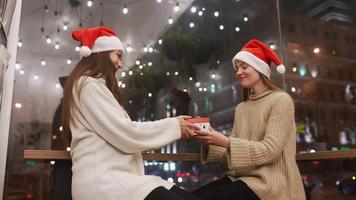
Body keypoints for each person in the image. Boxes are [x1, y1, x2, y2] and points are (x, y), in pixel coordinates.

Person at [61, 26, 200, 200]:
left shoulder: (92, 87)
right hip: (105, 182)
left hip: (118, 180)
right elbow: (127, 133)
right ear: (102, 54)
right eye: (118, 56)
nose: (120, 64)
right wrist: (174, 125)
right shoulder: (88, 86)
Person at [192, 39, 306, 200]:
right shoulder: (242, 108)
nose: (238, 72)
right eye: (237, 68)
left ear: (260, 68)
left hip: (272, 184)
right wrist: (208, 139)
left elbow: (270, 151)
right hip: (242, 178)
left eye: (244, 67)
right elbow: (236, 153)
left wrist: (225, 141)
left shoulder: (281, 100)